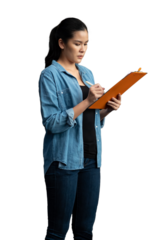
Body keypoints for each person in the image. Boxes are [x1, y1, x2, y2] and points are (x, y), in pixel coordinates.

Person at [39, 14, 122, 240]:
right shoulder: (50, 75)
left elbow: (90, 118)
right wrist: (87, 101)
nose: (82, 49)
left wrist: (107, 111)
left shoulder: (87, 72)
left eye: (86, 44)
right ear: (62, 43)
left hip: (92, 159)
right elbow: (51, 123)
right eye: (77, 43)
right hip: (63, 161)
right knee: (58, 232)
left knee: (85, 231)